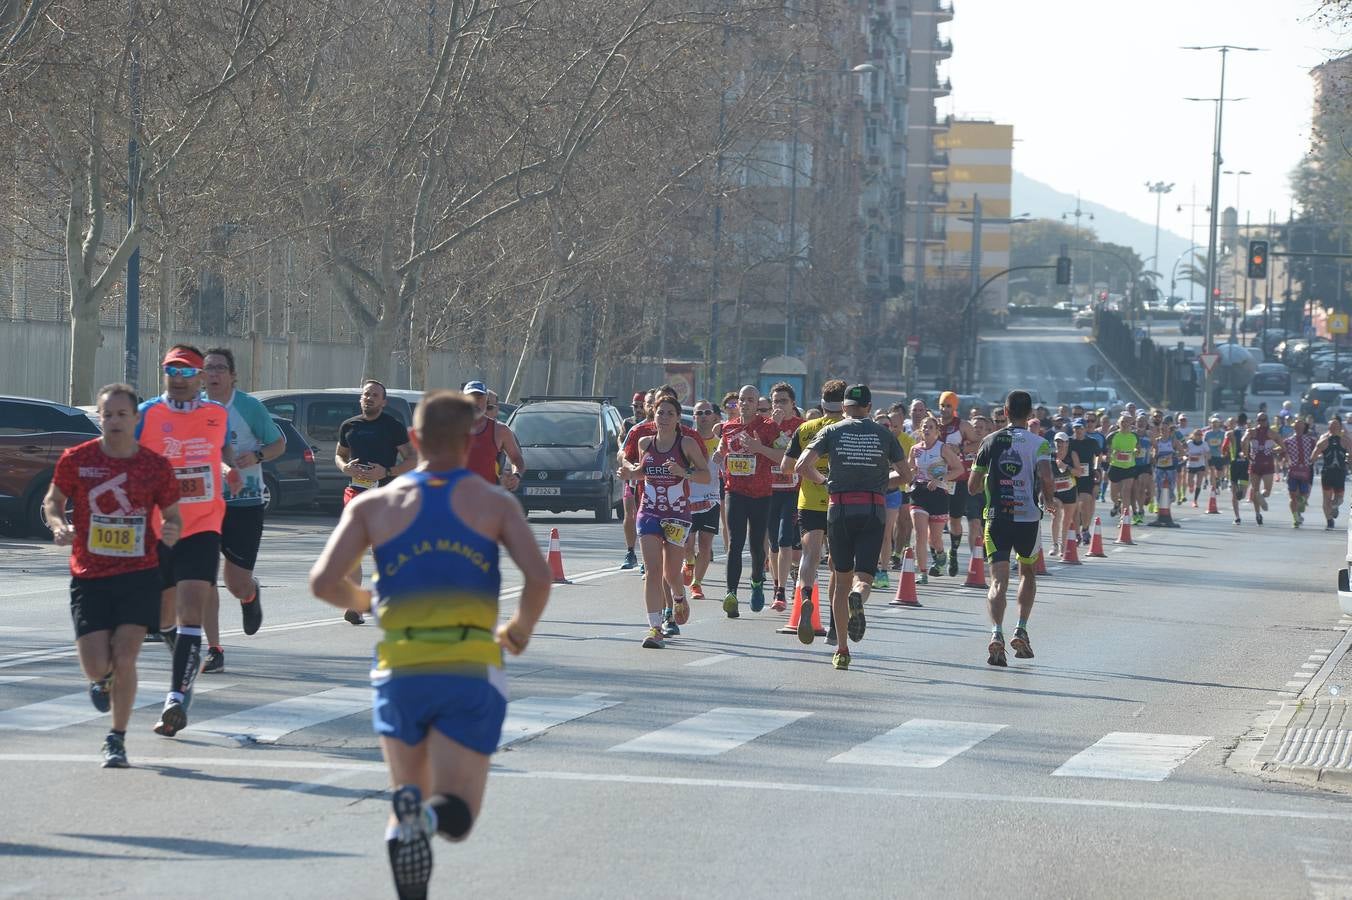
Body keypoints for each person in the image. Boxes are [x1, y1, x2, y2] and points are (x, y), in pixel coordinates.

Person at [309, 390, 551, 900]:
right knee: (458, 815)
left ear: (414, 440)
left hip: (401, 663)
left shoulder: (375, 504)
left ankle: (411, 816)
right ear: (470, 443)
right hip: (469, 664)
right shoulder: (493, 503)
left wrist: (373, 602)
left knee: (407, 789)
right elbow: (537, 578)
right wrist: (521, 628)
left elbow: (323, 582)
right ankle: (427, 816)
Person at [44, 384, 183, 767]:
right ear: (100, 418)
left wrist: (171, 530)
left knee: (125, 656)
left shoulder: (154, 465)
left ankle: (116, 738)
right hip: (89, 573)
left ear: (136, 419)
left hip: (139, 573)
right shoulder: (77, 459)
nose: (115, 421)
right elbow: (53, 501)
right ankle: (100, 680)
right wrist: (58, 525)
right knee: (96, 663)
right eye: (108, 414)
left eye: (123, 414)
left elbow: (173, 515)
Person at [135, 345, 240, 736]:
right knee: (163, 619)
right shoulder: (146, 415)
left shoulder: (216, 414)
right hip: (158, 528)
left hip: (202, 525)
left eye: (186, 373)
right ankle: (184, 654)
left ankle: (175, 701)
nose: (178, 380)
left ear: (199, 377)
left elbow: (223, 446)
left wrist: (229, 467)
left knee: (191, 611)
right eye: (171, 371)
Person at [794, 384, 911, 670]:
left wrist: (825, 482)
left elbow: (800, 466)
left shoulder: (832, 431)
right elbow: (906, 474)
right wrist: (882, 483)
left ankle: (842, 649)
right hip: (873, 509)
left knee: (840, 581)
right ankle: (860, 596)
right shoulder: (884, 433)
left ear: (844, 407)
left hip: (839, 508)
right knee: (863, 579)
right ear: (869, 408)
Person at [200, 348, 285, 673]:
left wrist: (257, 457)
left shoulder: (248, 407)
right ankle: (214, 648)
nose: (214, 374)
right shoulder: (195, 408)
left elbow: (279, 444)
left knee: (234, 582)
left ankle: (249, 595)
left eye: (220, 368)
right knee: (204, 576)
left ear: (233, 375)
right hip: (204, 504)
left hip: (245, 503)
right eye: (208, 369)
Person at [968, 390, 1055, 668]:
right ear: (1031, 415)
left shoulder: (989, 441)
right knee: (1028, 572)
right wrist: (1050, 501)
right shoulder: (1040, 443)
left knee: (998, 581)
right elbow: (1047, 477)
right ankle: (1021, 628)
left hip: (997, 518)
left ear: (1004, 412)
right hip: (1027, 518)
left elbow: (971, 486)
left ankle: (996, 633)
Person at [618, 395, 711, 647]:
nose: (665, 418)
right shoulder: (645, 442)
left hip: (677, 514)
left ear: (678, 417)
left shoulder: (687, 444)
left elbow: (705, 476)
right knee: (652, 571)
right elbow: (641, 472)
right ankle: (655, 628)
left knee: (672, 573)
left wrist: (684, 472)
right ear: (654, 416)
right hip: (648, 512)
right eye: (660, 413)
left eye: (670, 413)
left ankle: (679, 596)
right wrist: (630, 473)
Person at [335, 380, 416, 624]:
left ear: (384, 402)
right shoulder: (349, 426)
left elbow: (413, 459)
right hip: (356, 493)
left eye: (374, 395)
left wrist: (388, 471)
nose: (369, 398)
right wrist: (345, 467)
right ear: (360, 399)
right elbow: (339, 455)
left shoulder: (393, 427)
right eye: (366, 394)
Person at [783, 380, 846, 644]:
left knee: (810, 555)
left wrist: (815, 474)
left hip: (808, 501)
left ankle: (807, 596)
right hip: (840, 502)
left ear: (821, 403)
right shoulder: (848, 429)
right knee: (837, 563)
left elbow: (788, 466)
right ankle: (834, 624)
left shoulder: (806, 428)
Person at [715, 384, 783, 618]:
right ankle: (731, 594)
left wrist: (759, 448)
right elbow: (724, 449)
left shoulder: (769, 427)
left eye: (750, 400)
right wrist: (719, 454)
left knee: (756, 545)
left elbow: (783, 457)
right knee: (735, 543)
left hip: (761, 493)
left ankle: (756, 582)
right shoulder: (728, 426)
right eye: (741, 400)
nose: (744, 404)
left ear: (757, 404)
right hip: (735, 490)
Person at [908, 415, 965, 582]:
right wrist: (910, 475)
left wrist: (940, 479)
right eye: (924, 426)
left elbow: (958, 469)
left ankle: (940, 554)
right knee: (919, 535)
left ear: (937, 431)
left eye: (930, 427)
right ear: (920, 429)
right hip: (919, 493)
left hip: (939, 494)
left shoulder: (943, 449)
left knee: (934, 539)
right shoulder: (915, 449)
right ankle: (923, 572)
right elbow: (910, 468)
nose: (926, 429)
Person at [766, 383, 805, 610]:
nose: (778, 405)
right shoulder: (766, 426)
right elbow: (759, 452)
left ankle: (781, 592)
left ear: (793, 403)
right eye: (775, 401)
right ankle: (776, 584)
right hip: (770, 491)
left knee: (784, 539)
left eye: (783, 401)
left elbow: (793, 457)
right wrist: (774, 426)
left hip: (793, 491)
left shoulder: (802, 427)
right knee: (773, 544)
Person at [938, 391, 979, 578]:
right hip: (937, 479)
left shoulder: (962, 426)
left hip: (958, 480)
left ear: (954, 407)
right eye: (942, 405)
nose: (945, 409)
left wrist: (961, 448)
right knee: (935, 521)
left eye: (948, 406)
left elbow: (979, 444)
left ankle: (953, 552)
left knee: (954, 520)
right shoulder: (933, 425)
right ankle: (937, 556)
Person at [687, 399, 723, 600]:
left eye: (707, 412)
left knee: (705, 543)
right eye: (699, 413)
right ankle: (689, 563)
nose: (703, 416)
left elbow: (728, 470)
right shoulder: (687, 440)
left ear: (714, 417)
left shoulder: (720, 443)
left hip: (711, 498)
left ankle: (697, 583)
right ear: (693, 417)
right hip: (688, 497)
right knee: (687, 542)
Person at [461, 381, 525, 490]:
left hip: (488, 498)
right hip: (457, 498)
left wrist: (516, 475)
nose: (475, 403)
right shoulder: (449, 429)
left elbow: (517, 458)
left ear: (487, 401)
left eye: (479, 398)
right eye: (470, 398)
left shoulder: (500, 431)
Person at [619, 390, 651, 569]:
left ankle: (648, 557)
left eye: (642, 406)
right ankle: (630, 552)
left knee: (645, 516)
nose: (639, 410)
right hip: (632, 478)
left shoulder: (661, 426)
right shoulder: (631, 425)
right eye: (636, 406)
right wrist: (629, 466)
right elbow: (622, 449)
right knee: (630, 514)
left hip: (651, 478)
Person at [1243, 412, 1280, 526]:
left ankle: (1258, 514)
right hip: (1267, 463)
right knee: (1266, 491)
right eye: (1261, 420)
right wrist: (1274, 450)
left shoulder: (1251, 431)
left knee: (1255, 490)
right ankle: (1261, 497)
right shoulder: (1271, 432)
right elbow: (1283, 445)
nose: (1262, 422)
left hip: (1255, 463)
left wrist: (1247, 454)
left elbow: (1243, 441)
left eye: (1262, 420)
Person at [1066, 418, 1099, 546]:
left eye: (1080, 428)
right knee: (1074, 507)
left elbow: (1098, 456)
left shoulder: (1092, 442)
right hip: (1073, 477)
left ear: (1085, 429)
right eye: (1075, 428)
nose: (1078, 430)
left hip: (1087, 477)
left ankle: (1085, 529)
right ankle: (1077, 534)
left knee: (1085, 502)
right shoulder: (1069, 442)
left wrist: (1097, 469)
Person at [1315, 417, 1351, 529]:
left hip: (1328, 471)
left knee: (1326, 498)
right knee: (1339, 497)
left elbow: (1315, 454)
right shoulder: (1345, 439)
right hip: (1339, 471)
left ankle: (1329, 520)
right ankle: (1334, 506)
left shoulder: (1323, 438)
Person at [1048, 433, 1080, 554]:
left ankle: (1063, 546)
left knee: (1067, 520)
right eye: (1057, 441)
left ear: (1067, 443)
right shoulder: (1050, 455)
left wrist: (1066, 467)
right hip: (1056, 492)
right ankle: (1054, 544)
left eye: (1062, 442)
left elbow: (1079, 473)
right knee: (1055, 515)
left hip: (1070, 490)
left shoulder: (1072, 455)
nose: (1059, 444)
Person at [1284, 417, 1317, 527]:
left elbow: (1317, 452)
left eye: (1301, 426)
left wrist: (1314, 459)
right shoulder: (1288, 441)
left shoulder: (1311, 441)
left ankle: (1301, 504)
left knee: (1303, 495)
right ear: (1294, 427)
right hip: (1293, 472)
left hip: (1305, 472)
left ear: (1304, 427)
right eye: (1297, 426)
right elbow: (1281, 452)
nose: (1298, 427)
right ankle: (1296, 518)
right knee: (1293, 496)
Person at [1222, 413, 1250, 525]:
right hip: (1246, 463)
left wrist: (1224, 453)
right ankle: (1241, 492)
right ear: (1246, 421)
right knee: (1242, 494)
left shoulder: (1230, 433)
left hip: (1234, 463)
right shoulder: (1250, 432)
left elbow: (1223, 447)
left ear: (1237, 422)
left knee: (1234, 493)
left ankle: (1237, 517)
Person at [1185, 429, 1209, 508]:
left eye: (1200, 435)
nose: (1199, 436)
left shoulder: (1204, 444)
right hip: (1191, 465)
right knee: (1189, 482)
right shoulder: (1189, 443)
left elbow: (1209, 455)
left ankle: (1195, 501)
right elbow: (1184, 452)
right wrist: (1187, 456)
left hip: (1200, 465)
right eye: (1197, 435)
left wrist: (1204, 454)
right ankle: (1191, 486)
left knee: (1198, 483)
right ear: (1193, 436)